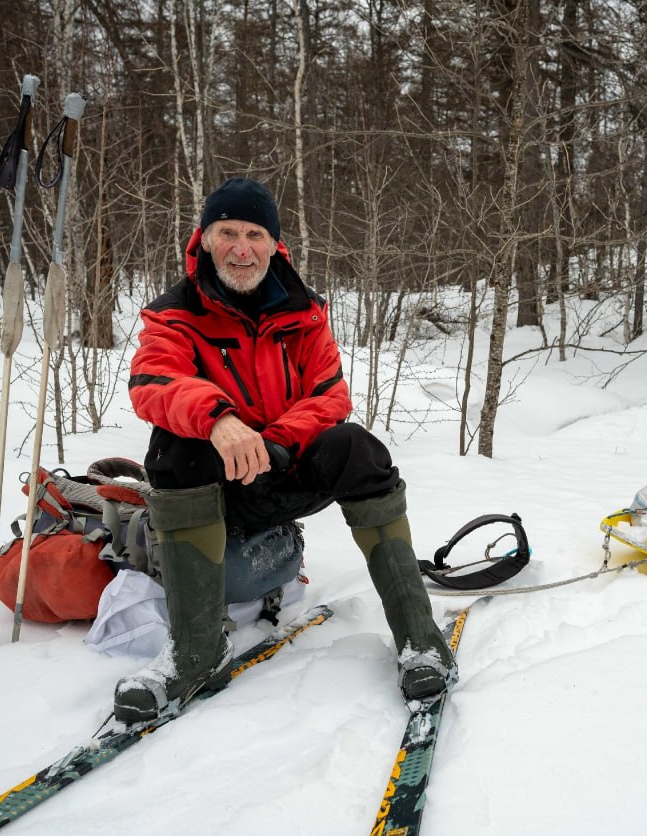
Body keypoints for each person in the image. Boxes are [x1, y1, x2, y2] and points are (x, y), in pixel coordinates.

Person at [114, 177, 456, 723]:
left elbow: (329, 395)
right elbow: (154, 381)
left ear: (275, 245)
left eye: (255, 235)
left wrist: (275, 441)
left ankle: (420, 638)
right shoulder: (175, 313)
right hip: (218, 486)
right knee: (174, 445)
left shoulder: (305, 312)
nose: (241, 249)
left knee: (356, 447)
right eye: (228, 233)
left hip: (283, 469)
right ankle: (196, 653)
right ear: (204, 239)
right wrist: (220, 419)